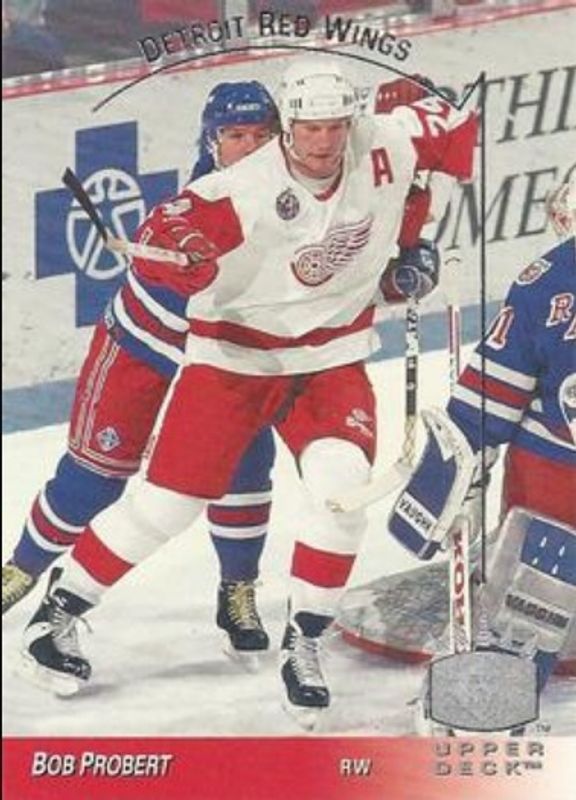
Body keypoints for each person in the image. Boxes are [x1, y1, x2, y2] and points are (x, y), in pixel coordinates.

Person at [20, 60, 477, 723]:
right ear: (287, 126)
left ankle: (304, 642)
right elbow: (163, 230)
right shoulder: (242, 188)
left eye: (335, 125)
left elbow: (455, 124)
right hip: (235, 363)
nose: (324, 142)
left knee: (341, 494)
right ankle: (58, 611)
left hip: (331, 361)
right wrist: (184, 254)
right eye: (309, 128)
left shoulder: (384, 142)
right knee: (167, 504)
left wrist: (417, 241)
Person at [3, 80, 280, 658]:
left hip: (226, 360)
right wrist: (188, 264)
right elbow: (168, 231)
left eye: (262, 135)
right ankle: (23, 567)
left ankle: (237, 590)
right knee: (95, 475)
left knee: (245, 468)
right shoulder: (196, 200)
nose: (251, 147)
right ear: (212, 141)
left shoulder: (297, 200)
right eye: (236, 135)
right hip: (142, 348)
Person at [387, 172, 576, 717]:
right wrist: (440, 487)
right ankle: (498, 667)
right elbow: (481, 407)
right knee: (535, 592)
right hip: (558, 492)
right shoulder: (547, 285)